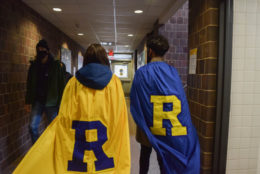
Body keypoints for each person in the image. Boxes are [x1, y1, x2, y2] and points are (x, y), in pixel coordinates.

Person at [14, 44, 131, 174]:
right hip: (105, 155)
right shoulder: (114, 82)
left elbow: (65, 118)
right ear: (104, 59)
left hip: (78, 155)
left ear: (86, 60)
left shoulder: (73, 82)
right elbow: (119, 117)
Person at [130, 35, 200, 174]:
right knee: (163, 157)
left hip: (147, 126)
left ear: (150, 51)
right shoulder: (172, 72)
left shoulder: (142, 73)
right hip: (166, 126)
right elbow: (180, 99)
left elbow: (136, 101)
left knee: (145, 156)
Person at [25, 39, 65, 143]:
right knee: (32, 127)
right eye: (38, 49)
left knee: (54, 128)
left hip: (51, 102)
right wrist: (28, 101)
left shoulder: (56, 65)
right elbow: (29, 84)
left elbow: (61, 85)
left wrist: (62, 103)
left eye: (43, 49)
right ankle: (37, 149)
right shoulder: (34, 66)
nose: (40, 51)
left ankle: (54, 149)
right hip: (38, 101)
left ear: (47, 50)